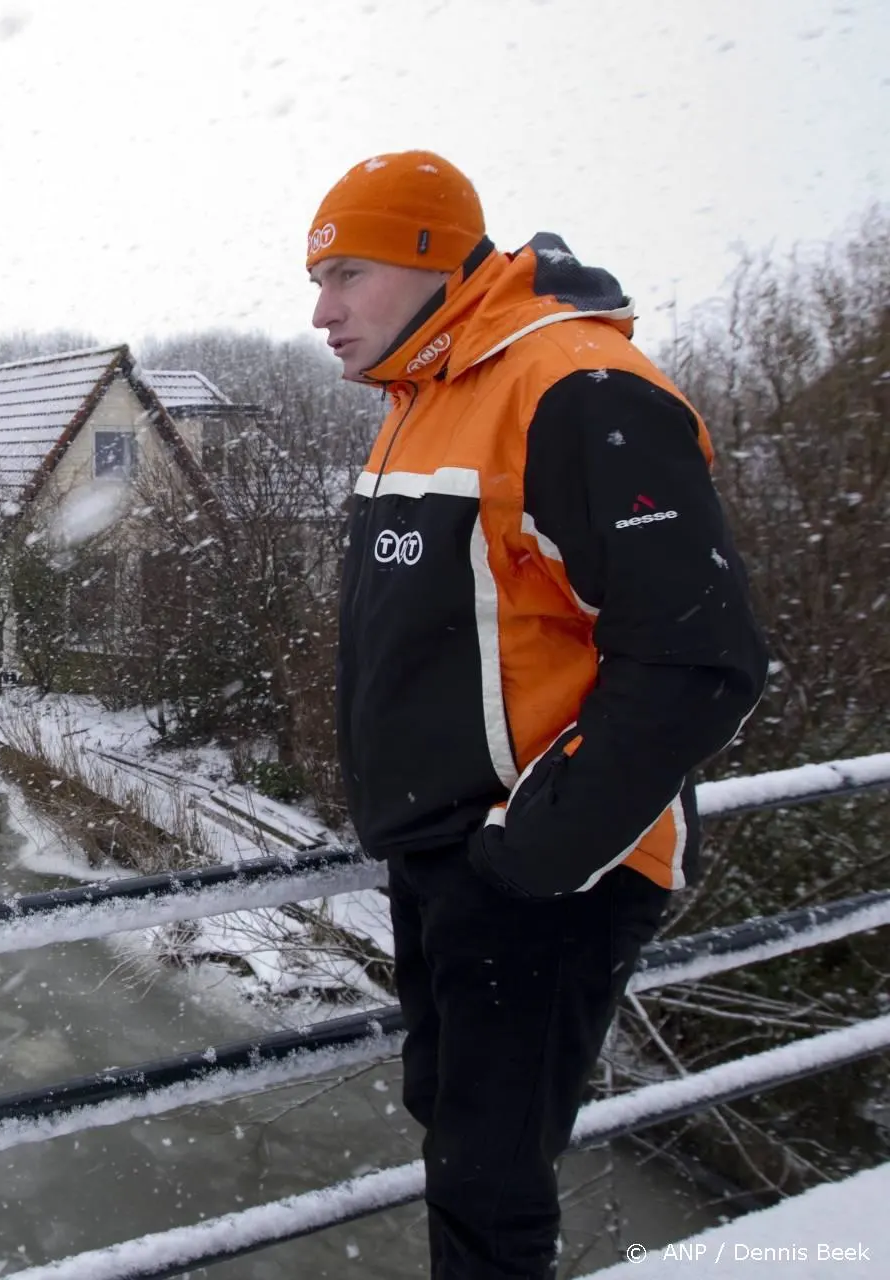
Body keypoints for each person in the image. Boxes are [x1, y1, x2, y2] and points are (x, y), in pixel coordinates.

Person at [305, 151, 768, 1277]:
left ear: (431, 261)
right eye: (317, 281)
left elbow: (699, 659)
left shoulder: (574, 387)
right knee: (459, 1132)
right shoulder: (424, 396)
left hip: (544, 866)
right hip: (449, 850)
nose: (322, 312)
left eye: (347, 275)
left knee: (491, 1171)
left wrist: (528, 853)